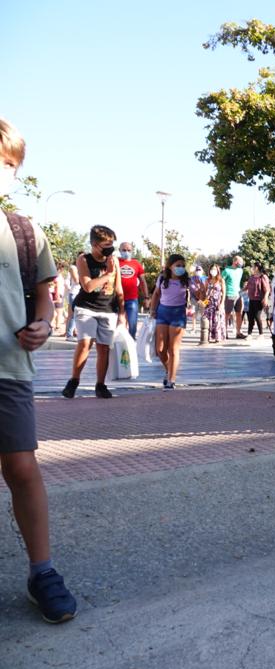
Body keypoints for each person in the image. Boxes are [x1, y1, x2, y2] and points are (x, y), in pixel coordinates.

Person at [1, 118, 78, 622]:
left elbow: (44, 297)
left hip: (9, 369)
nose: (3, 172)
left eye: (8, 165)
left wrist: (43, 325)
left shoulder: (23, 230)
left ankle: (42, 570)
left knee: (23, 467)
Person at [61, 225, 126, 399]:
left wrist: (122, 313)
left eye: (112, 243)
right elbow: (88, 286)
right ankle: (74, 380)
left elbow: (118, 287)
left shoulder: (115, 260)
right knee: (85, 343)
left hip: (108, 309)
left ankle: (100, 385)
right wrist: (108, 274)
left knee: (104, 348)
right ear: (95, 244)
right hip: (86, 307)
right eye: (106, 244)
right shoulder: (84, 259)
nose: (110, 248)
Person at [149, 254, 196, 390]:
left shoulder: (187, 280)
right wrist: (152, 310)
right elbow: (156, 294)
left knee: (173, 348)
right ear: (170, 266)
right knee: (160, 349)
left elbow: (198, 295)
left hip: (178, 314)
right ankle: (168, 369)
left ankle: (171, 379)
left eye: (182, 265)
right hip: (162, 313)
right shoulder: (162, 278)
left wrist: (200, 290)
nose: (181, 268)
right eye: (178, 265)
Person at [117, 241, 148, 339]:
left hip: (132, 299)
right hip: (116, 299)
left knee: (133, 325)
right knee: (118, 325)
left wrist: (146, 297)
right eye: (124, 250)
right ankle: (118, 347)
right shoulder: (115, 262)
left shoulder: (136, 264)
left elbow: (143, 281)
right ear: (119, 250)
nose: (126, 252)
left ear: (132, 251)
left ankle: (131, 344)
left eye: (129, 250)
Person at [222, 255, 245, 339]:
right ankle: (225, 333)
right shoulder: (226, 271)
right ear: (235, 262)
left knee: (239, 314)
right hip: (229, 295)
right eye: (240, 262)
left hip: (238, 295)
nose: (241, 264)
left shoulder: (240, 270)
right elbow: (221, 281)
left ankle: (238, 332)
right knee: (227, 315)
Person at [245, 262, 271, 338]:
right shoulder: (252, 277)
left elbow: (267, 289)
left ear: (256, 267)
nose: (251, 268)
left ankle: (261, 334)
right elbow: (247, 286)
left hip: (259, 299)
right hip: (251, 299)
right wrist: (241, 291)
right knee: (250, 316)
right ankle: (249, 334)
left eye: (252, 266)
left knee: (257, 316)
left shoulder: (263, 277)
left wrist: (265, 298)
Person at [202, 263, 227, 343]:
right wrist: (204, 303)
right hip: (209, 303)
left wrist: (222, 303)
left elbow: (224, 293)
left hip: (217, 302)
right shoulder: (207, 280)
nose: (213, 271)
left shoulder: (221, 280)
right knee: (208, 320)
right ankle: (208, 337)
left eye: (215, 269)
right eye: (212, 269)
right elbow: (205, 292)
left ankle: (218, 337)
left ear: (218, 271)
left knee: (217, 320)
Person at [63, 257, 80, 339]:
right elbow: (77, 280)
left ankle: (72, 332)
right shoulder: (74, 268)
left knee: (79, 315)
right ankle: (69, 334)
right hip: (74, 293)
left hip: (80, 293)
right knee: (72, 314)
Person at [189, 265, 207, 334]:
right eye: (197, 270)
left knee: (204, 313)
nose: (198, 271)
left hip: (203, 299)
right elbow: (191, 287)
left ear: (202, 271)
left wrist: (205, 300)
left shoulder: (206, 278)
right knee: (194, 313)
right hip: (194, 298)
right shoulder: (191, 278)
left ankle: (203, 327)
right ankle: (193, 328)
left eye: (199, 270)